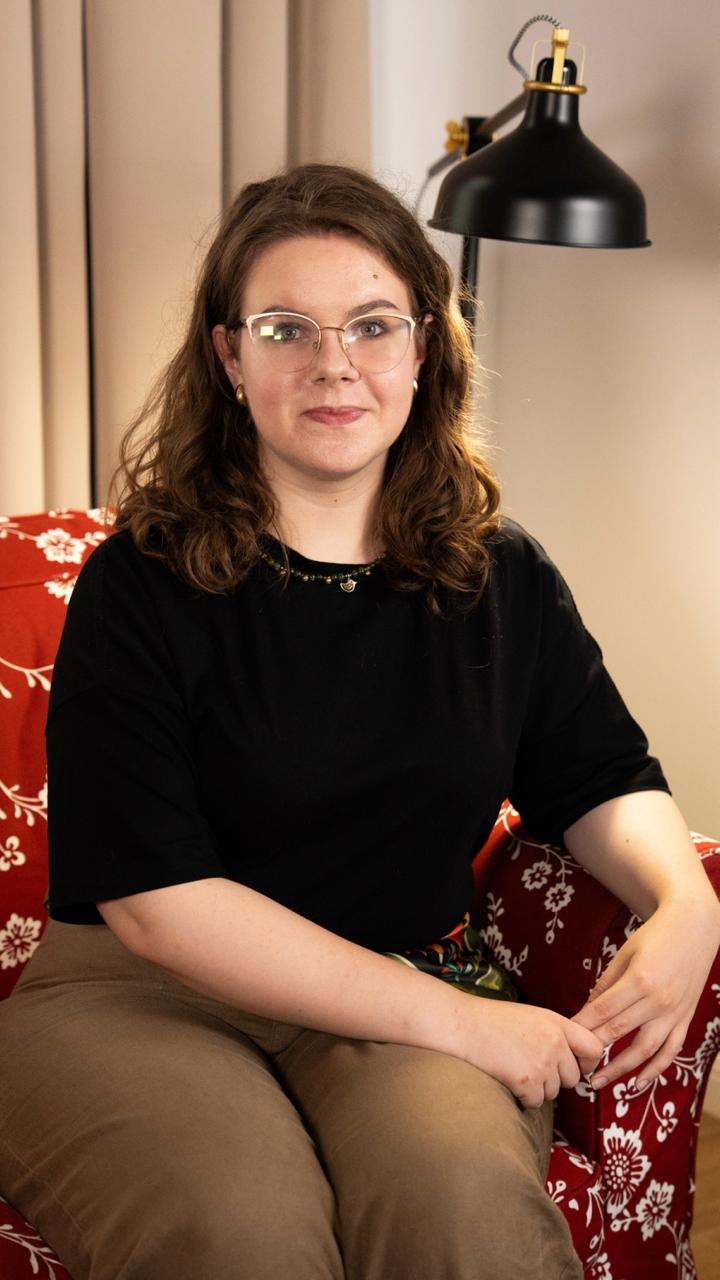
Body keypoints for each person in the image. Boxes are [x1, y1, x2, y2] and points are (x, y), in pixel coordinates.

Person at [0, 163, 718, 1280]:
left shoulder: (500, 576)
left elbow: (603, 777)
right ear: (229, 357)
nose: (333, 363)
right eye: (286, 329)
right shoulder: (139, 581)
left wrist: (686, 905)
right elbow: (156, 901)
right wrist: (468, 1023)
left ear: (424, 347)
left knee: (467, 1218)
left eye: (373, 325)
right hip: (143, 997)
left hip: (402, 985)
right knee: (240, 1230)